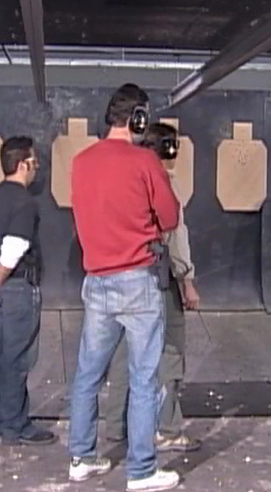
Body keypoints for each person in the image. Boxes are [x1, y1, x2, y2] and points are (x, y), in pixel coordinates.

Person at [68, 83, 181, 492]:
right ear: (137, 119)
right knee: (144, 378)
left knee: (88, 374)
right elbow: (169, 218)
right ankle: (141, 469)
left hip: (95, 281)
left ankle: (80, 457)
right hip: (137, 280)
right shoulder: (145, 160)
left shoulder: (81, 162)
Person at [105, 122, 202, 453]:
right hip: (158, 281)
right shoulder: (163, 182)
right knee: (168, 355)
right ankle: (166, 429)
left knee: (123, 354)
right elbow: (176, 239)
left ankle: (116, 426)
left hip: (117, 277)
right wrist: (187, 281)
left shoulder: (121, 180)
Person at [0, 136, 56, 446]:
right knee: (16, 357)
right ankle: (15, 425)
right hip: (16, 288)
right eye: (34, 163)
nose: (37, 169)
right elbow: (15, 246)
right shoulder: (24, 202)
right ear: (22, 165)